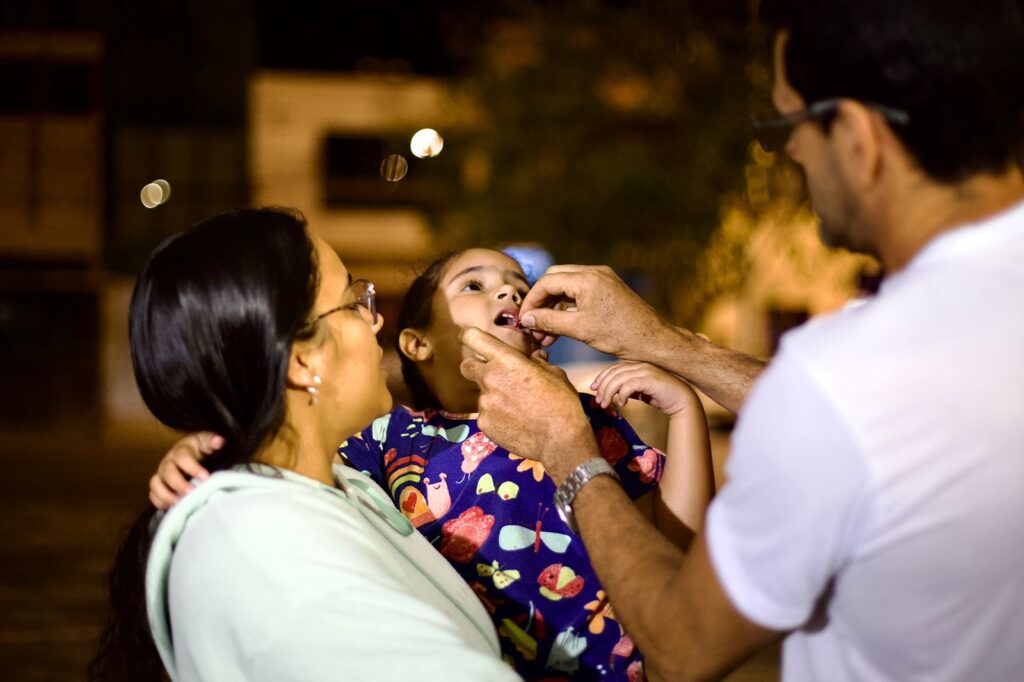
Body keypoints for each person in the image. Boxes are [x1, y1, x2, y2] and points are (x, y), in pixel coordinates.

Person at [456, 1, 1024, 680]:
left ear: (858, 137)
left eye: (785, 123)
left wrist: (569, 452)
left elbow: (685, 643)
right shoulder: (881, 370)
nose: (783, 150)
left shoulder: (844, 377)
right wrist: (667, 342)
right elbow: (887, 424)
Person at [151, 247, 715, 681]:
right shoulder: (388, 439)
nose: (509, 296)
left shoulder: (583, 421)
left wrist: (684, 409)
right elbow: (291, 463)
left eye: (520, 287)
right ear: (417, 344)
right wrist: (207, 451)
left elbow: (674, 544)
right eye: (476, 286)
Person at [89, 208, 520, 681]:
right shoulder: (269, 550)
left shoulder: (338, 486)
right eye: (354, 302)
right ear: (301, 361)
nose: (375, 323)